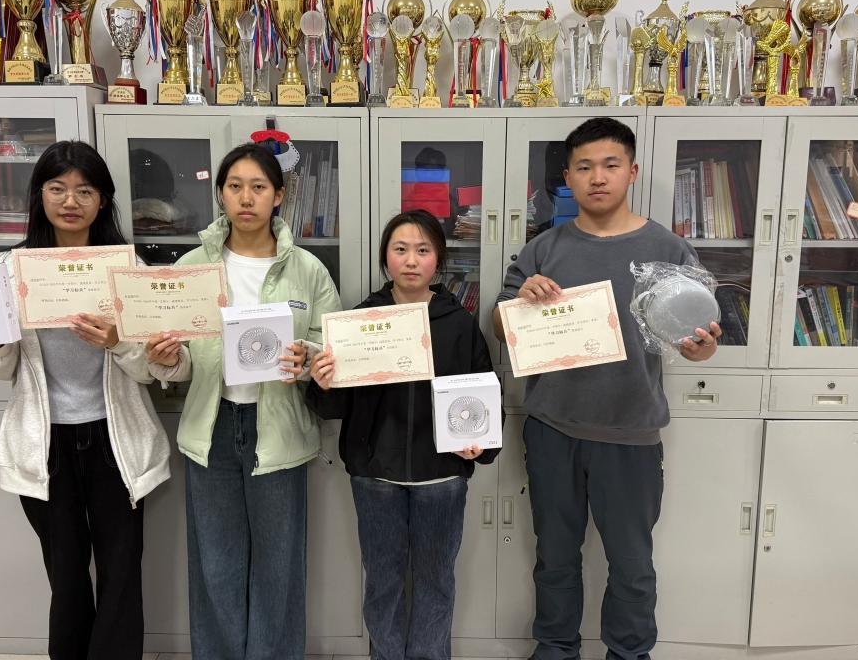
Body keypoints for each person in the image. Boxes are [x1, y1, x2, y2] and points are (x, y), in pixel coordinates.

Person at [492, 117, 722, 660]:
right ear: (568, 177)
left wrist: (701, 349)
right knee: (554, 560)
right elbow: (499, 327)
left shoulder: (668, 249)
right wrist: (520, 303)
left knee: (632, 566)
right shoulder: (544, 249)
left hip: (630, 434)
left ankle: (629, 652)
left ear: (632, 172)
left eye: (610, 165)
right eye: (585, 167)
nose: (598, 177)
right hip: (552, 430)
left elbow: (699, 335)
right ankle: (555, 650)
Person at [0, 140, 171, 660]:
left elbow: (151, 371)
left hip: (113, 439)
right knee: (66, 572)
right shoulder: (7, 270)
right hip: (45, 442)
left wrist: (119, 342)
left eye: (85, 190)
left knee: (121, 569)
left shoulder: (129, 269)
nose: (70, 201)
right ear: (39, 196)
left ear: (103, 201)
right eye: (57, 188)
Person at [144, 141, 341, 660]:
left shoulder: (307, 270)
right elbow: (183, 359)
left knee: (279, 566)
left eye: (258, 187)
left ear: (279, 195)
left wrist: (309, 359)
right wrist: (165, 359)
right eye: (235, 187)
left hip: (278, 430)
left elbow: (329, 349)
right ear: (221, 194)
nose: (246, 198)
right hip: (211, 430)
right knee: (216, 564)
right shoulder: (192, 266)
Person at [308, 209, 498, 660]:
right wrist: (323, 383)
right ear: (385, 258)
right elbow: (334, 408)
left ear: (438, 259)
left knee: (436, 580)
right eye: (400, 249)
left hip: (442, 476)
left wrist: (481, 444)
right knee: (383, 581)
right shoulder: (360, 322)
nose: (411, 260)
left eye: (423, 250)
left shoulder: (459, 323)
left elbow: (484, 393)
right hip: (376, 476)